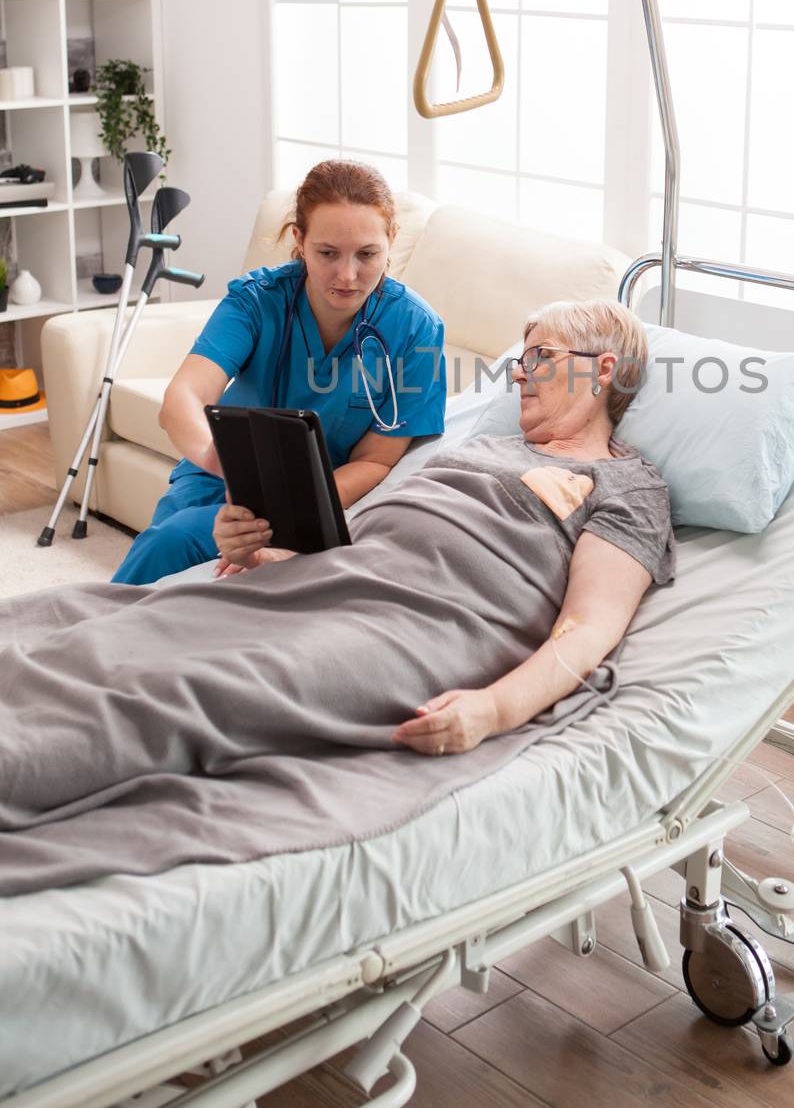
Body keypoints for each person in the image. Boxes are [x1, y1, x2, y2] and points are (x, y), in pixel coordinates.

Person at [1, 302, 674, 879]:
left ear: (601, 369)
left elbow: (589, 625)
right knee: (99, 627)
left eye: (540, 356)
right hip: (332, 582)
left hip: (417, 625)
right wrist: (279, 554)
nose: (518, 371)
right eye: (520, 357)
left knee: (193, 690)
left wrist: (492, 711)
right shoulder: (479, 449)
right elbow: (365, 534)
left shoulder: (627, 487)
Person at [111, 160, 446, 584]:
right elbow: (183, 400)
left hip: (322, 491)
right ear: (299, 240)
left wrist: (288, 509)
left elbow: (376, 460)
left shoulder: (417, 329)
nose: (347, 275)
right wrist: (234, 470)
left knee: (179, 552)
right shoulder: (256, 300)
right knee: (168, 543)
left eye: (367, 254)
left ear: (391, 241)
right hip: (215, 472)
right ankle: (98, 636)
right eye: (328, 253)